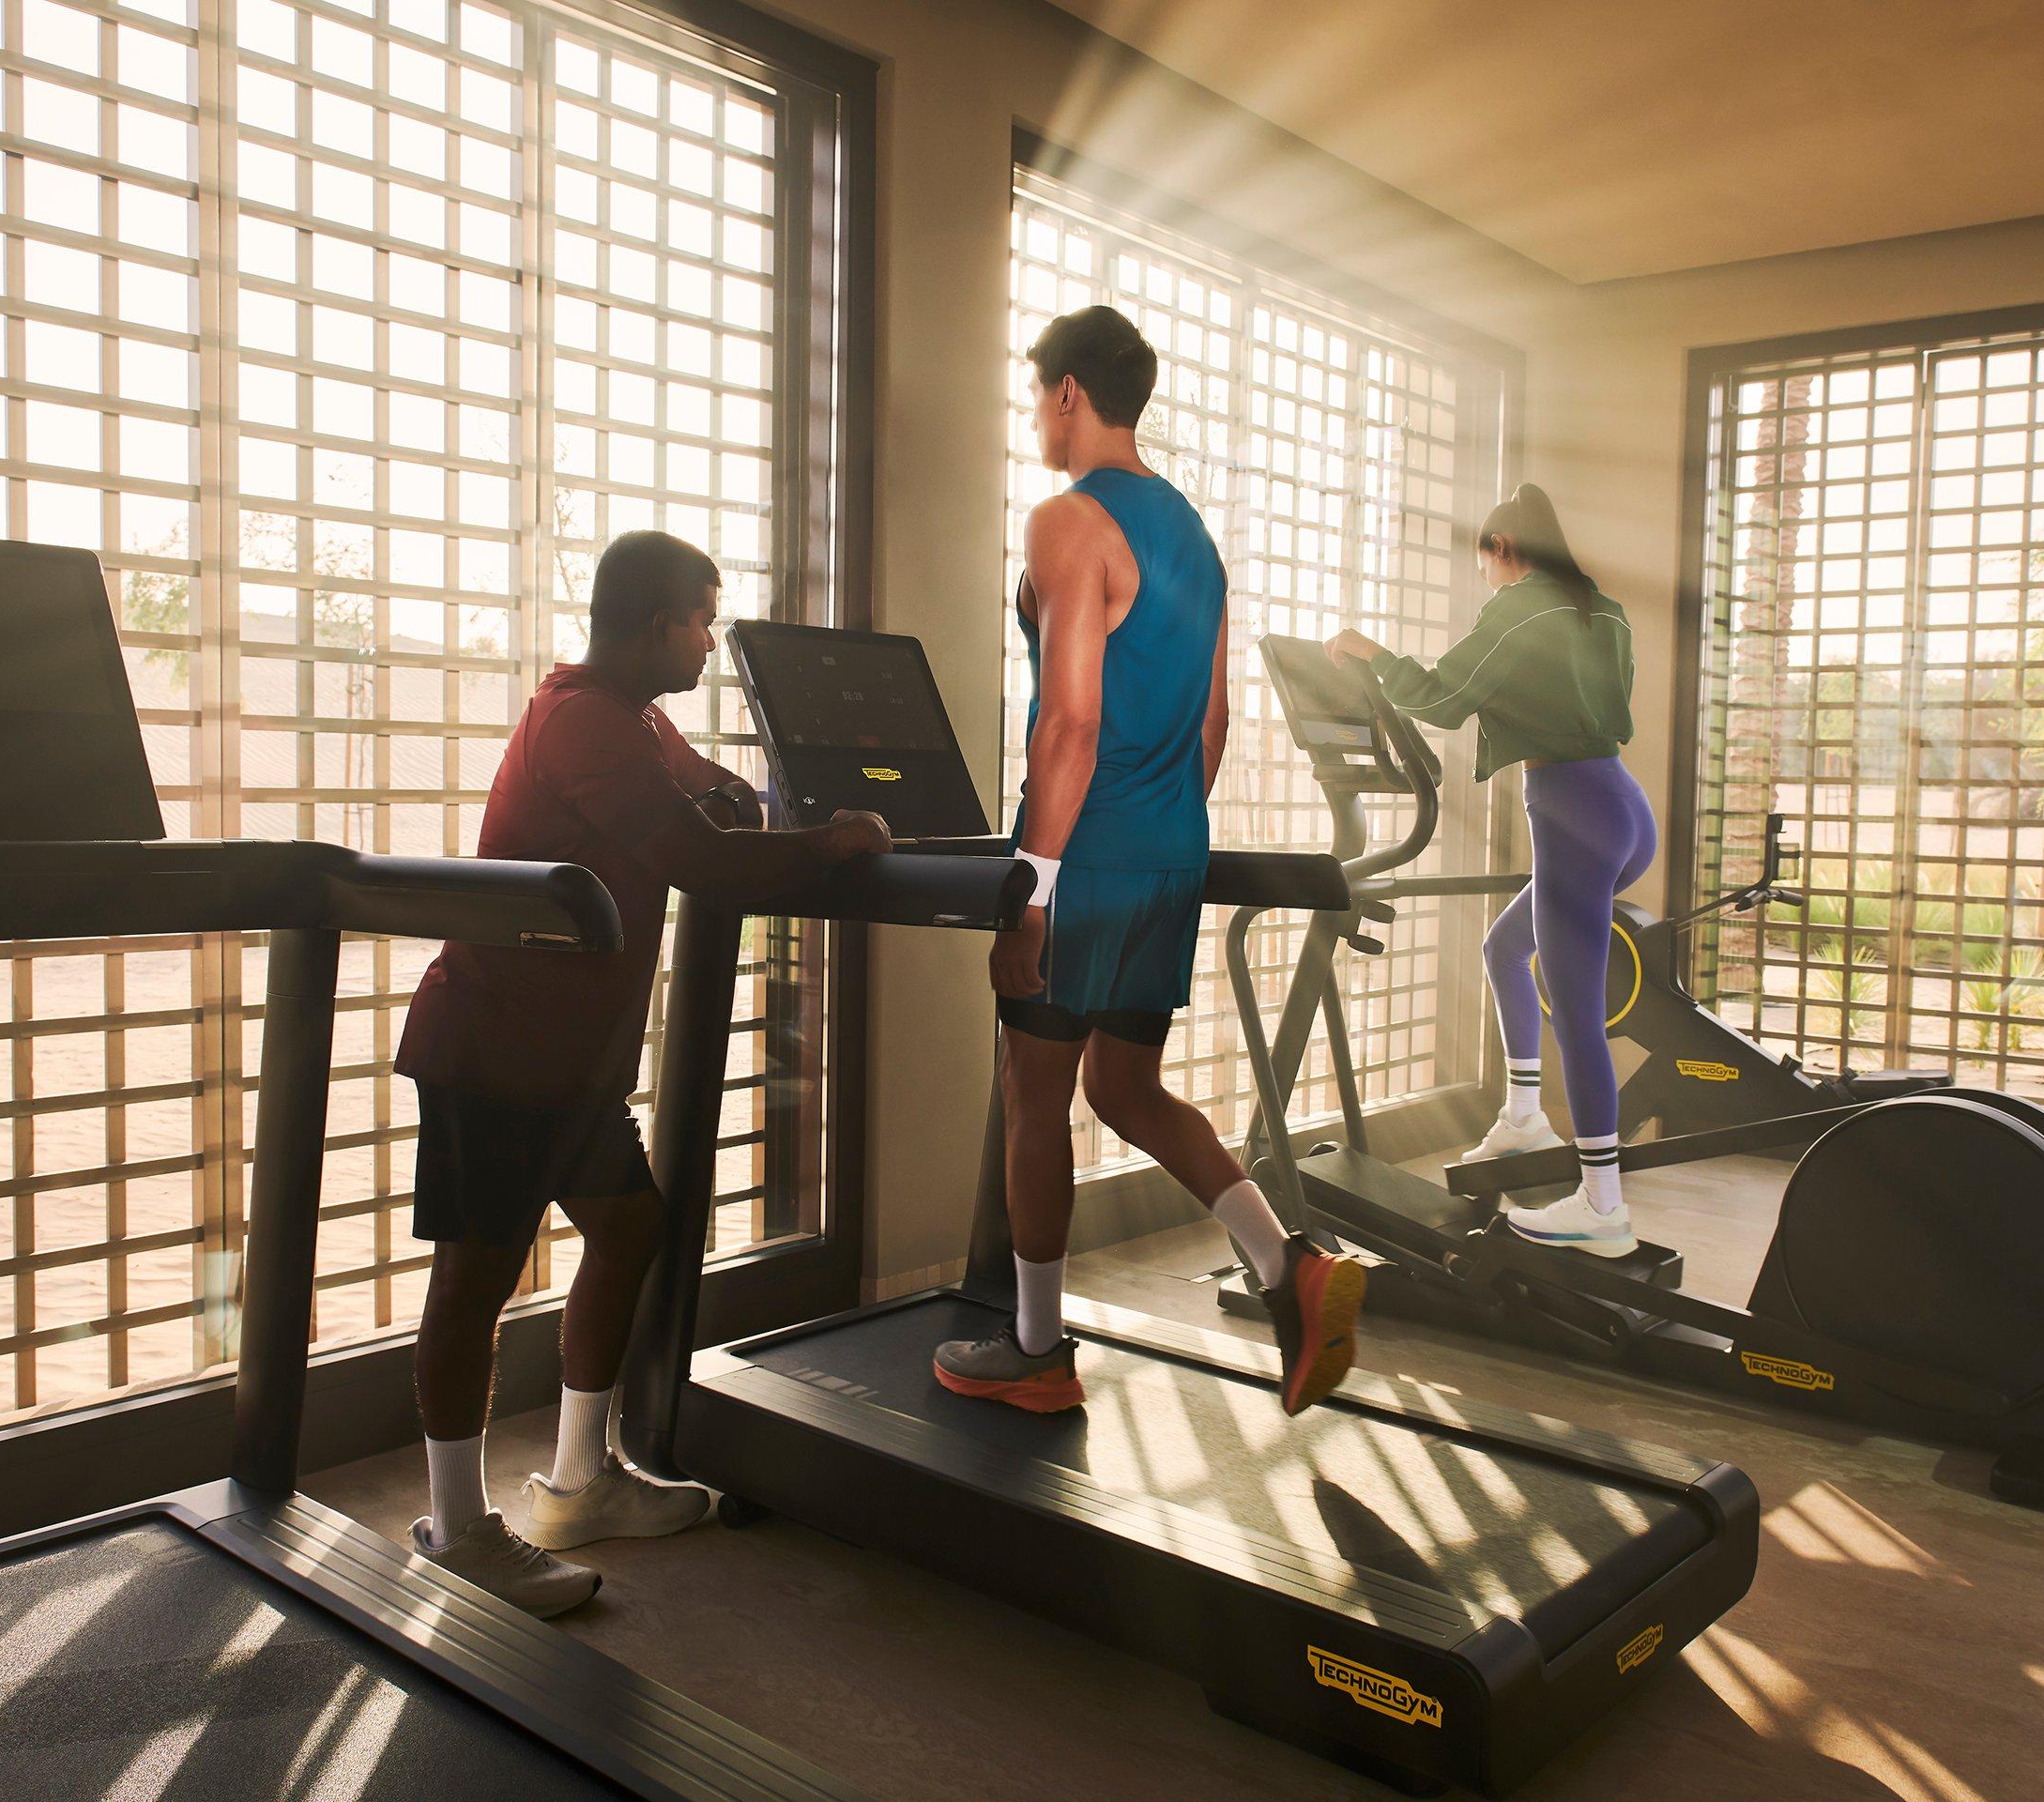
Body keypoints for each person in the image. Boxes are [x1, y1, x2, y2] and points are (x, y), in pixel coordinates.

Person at [395, 530, 890, 1614]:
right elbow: (692, 855)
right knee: (474, 1281)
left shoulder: (641, 721)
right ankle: (456, 1530)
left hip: (571, 1067)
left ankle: (579, 1481)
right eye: (702, 619)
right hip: (495, 1051)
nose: (711, 640)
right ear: (654, 621)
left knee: (630, 1231)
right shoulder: (577, 720)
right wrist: (825, 844)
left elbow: (722, 800)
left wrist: (771, 811)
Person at [934, 305, 1365, 1416]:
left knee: (1035, 1097)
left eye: (1039, 396)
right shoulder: (1194, 537)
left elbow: (1070, 724)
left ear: (1068, 392)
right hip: (1170, 847)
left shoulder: (1068, 523)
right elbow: (1212, 724)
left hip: (1084, 855)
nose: (1037, 417)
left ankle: (1036, 1352)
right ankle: (1290, 1268)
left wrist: (1033, 888)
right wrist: (1159, 836)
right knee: (1123, 1086)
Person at [1326, 483, 1650, 1255]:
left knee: (1576, 1016)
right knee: (1505, 949)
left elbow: (1443, 699)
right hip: (1623, 810)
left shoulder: (1521, 605)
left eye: (1485, 562)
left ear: (1502, 547)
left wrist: (1368, 653)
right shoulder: (1604, 610)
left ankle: (1604, 1208)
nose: (1487, 577)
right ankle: (1524, 1116)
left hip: (1573, 810)